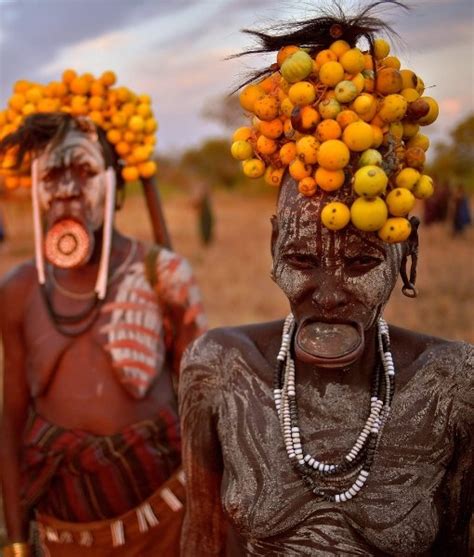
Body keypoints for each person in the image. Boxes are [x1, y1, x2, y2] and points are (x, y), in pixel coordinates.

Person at [179, 5, 473, 556]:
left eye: (361, 263)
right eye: (302, 260)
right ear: (272, 250)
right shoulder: (217, 370)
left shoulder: (453, 387)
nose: (330, 294)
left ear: (405, 254)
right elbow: (202, 539)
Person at [0, 72, 206, 557]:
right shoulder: (19, 290)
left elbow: (203, 408)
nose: (68, 189)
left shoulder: (163, 274)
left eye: (86, 172)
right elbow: (9, 424)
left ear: (116, 189)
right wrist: (14, 540)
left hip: (166, 523)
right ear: (33, 190)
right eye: (52, 174)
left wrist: (210, 520)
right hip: (62, 534)